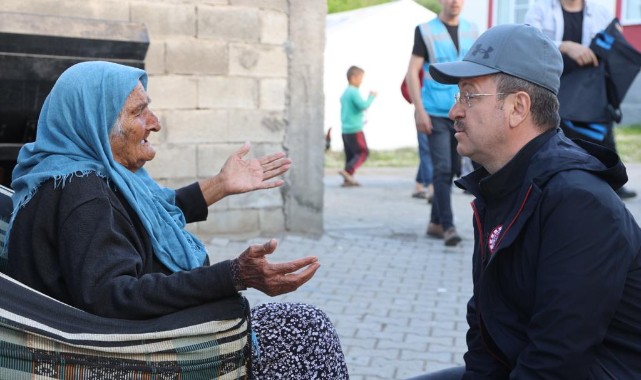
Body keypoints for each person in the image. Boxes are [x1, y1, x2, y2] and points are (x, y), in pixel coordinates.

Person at [4, 61, 349, 379]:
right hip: (127, 351)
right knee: (307, 330)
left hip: (126, 338)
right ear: (97, 122)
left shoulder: (66, 172)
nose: (155, 122)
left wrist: (220, 185)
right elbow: (113, 295)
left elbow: (148, 215)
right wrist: (233, 275)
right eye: (139, 113)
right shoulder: (83, 194)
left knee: (302, 326)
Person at [408, 23, 641, 380]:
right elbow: (485, 329)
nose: (455, 111)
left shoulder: (578, 203)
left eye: (469, 96)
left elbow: (557, 359)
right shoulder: (498, 187)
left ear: (518, 107)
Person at [524, 0, 637, 199]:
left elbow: (615, 45)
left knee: (603, 135)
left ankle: (612, 181)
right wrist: (564, 46)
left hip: (591, 88)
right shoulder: (540, 10)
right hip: (553, 86)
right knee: (552, 137)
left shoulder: (601, 13)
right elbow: (529, 42)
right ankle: (546, 186)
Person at [404, 0, 478, 246]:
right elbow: (412, 72)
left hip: (463, 110)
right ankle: (448, 226)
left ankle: (435, 223)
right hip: (435, 110)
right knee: (443, 169)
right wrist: (419, 110)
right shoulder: (425, 30)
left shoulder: (472, 30)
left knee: (454, 169)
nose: (455, 2)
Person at [339, 65, 377, 187]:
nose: (361, 81)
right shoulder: (353, 92)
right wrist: (371, 97)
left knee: (350, 155)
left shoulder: (345, 93)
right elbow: (363, 106)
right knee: (363, 152)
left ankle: (347, 180)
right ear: (353, 77)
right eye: (360, 78)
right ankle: (348, 172)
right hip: (355, 129)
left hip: (345, 129)